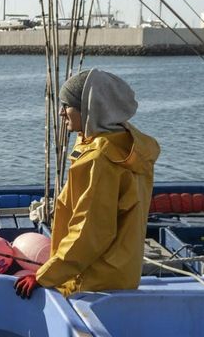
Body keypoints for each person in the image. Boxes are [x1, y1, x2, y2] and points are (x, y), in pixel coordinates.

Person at [15, 69, 160, 299]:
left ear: (89, 109)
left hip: (92, 280)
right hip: (120, 275)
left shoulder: (99, 159)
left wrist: (45, 276)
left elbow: (90, 232)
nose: (61, 113)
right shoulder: (128, 145)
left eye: (67, 105)